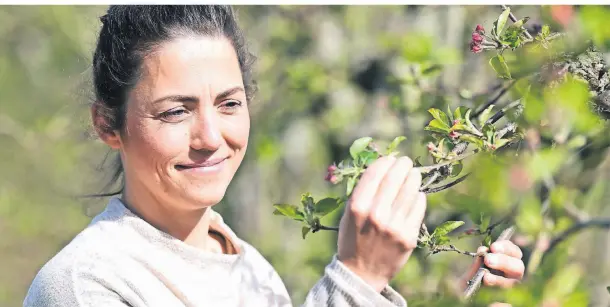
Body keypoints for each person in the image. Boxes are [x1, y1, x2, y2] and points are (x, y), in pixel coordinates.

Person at [23, 5, 525, 307]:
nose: (210, 136)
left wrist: (452, 296)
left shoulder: (251, 269)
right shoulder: (85, 284)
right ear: (108, 125)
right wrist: (357, 279)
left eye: (229, 104)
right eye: (175, 111)